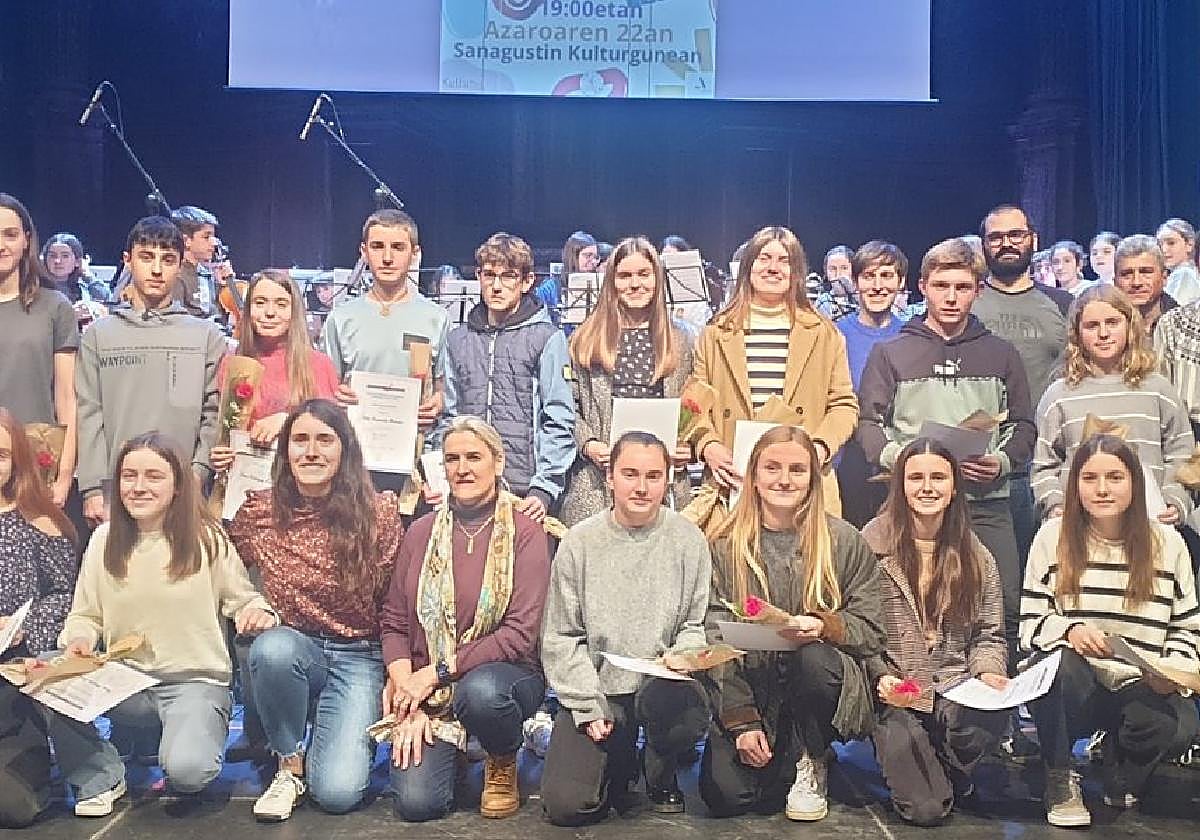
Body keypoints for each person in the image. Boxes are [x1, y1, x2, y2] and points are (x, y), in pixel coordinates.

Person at [58, 432, 275, 807]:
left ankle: (188, 733)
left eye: (153, 476)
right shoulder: (104, 540)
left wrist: (256, 612)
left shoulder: (207, 538)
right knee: (46, 676)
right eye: (129, 476)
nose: (138, 487)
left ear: (177, 485)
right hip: (124, 684)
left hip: (192, 682)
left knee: (188, 773)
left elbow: (244, 600)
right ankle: (103, 776)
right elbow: (85, 616)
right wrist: (78, 640)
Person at [858, 236, 1034, 676]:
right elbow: (867, 424)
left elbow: (1024, 425)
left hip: (984, 500)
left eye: (962, 287)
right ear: (922, 287)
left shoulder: (1001, 353)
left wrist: (1001, 463)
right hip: (912, 505)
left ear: (978, 290)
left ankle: (995, 699)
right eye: (941, 286)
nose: (951, 297)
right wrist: (903, 461)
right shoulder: (891, 352)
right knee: (907, 610)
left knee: (1003, 607)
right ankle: (908, 697)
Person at [227, 400, 403, 820]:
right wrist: (253, 604)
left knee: (338, 793)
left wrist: (399, 674)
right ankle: (289, 765)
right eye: (300, 440)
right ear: (285, 450)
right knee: (271, 649)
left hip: (359, 654)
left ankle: (331, 730)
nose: (311, 451)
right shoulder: (259, 512)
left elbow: (396, 604)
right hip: (295, 648)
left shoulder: (378, 514)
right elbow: (220, 571)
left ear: (345, 450)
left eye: (325, 440)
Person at [700, 426, 885, 822]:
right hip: (752, 684)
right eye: (772, 468)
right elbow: (713, 635)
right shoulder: (724, 545)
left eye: (797, 470)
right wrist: (741, 720)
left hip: (818, 679)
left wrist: (824, 627)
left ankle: (812, 754)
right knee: (727, 797)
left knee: (813, 659)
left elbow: (872, 629)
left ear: (813, 478)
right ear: (753, 474)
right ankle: (776, 751)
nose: (784, 480)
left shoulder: (844, 540)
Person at [1021, 435, 1200, 827]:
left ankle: (1118, 762)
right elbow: (1030, 623)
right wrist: (1069, 629)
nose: (1102, 489)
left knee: (1179, 725)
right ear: (1075, 484)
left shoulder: (1169, 544)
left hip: (1140, 680)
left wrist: (1171, 673)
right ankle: (1059, 776)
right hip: (1078, 679)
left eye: (1115, 477)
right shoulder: (1052, 537)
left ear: (1135, 482)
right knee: (1059, 670)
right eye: (1090, 478)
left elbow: (1187, 628)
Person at [381, 416, 551, 821]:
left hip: (504, 678)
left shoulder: (527, 534)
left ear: (498, 462)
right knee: (417, 804)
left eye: (474, 457)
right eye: (452, 459)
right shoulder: (420, 532)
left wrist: (435, 674)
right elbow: (394, 621)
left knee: (480, 693)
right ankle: (454, 749)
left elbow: (518, 635)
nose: (462, 468)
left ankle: (501, 756)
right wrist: (406, 691)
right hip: (430, 687)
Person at [540, 432, 711, 824]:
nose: (641, 487)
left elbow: (695, 623)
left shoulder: (689, 541)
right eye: (630, 474)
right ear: (610, 478)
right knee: (567, 805)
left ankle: (660, 767)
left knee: (683, 711)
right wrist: (587, 705)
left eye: (653, 476)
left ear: (668, 480)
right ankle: (618, 765)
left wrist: (683, 656)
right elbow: (562, 637)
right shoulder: (579, 543)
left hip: (661, 688)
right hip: (600, 689)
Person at [862, 438, 1007, 826]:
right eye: (916, 478)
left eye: (938, 477)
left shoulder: (977, 556)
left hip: (951, 684)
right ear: (901, 485)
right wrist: (880, 675)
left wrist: (988, 672)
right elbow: (857, 629)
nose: (927, 487)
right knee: (926, 810)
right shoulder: (870, 545)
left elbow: (989, 634)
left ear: (954, 486)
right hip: (896, 689)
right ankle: (928, 764)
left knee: (990, 715)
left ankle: (947, 763)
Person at [692, 226, 858, 515]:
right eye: (764, 258)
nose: (773, 267)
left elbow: (844, 405)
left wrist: (819, 449)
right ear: (748, 267)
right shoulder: (715, 334)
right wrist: (708, 446)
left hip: (803, 480)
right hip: (734, 478)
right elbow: (692, 405)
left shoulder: (824, 334)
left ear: (797, 272)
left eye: (784, 260)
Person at [75, 216, 227, 526]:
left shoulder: (205, 336)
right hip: (117, 494)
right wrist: (92, 488)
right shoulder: (99, 335)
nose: (157, 270)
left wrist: (198, 473)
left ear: (180, 265)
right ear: (127, 261)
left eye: (167, 260)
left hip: (183, 491)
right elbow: (89, 413)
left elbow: (214, 413)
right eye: (146, 257)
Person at [560, 237, 695, 525]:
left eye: (644, 274)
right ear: (611, 282)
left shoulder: (681, 341)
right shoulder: (585, 339)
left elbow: (695, 406)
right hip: (599, 481)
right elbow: (567, 405)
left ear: (657, 279)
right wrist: (589, 444)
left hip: (662, 482)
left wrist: (689, 446)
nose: (635, 284)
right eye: (624, 276)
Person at [440, 233, 574, 522]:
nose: (497, 286)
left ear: (526, 282)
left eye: (508, 276)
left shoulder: (546, 338)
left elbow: (559, 418)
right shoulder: (457, 340)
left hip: (524, 491)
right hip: (466, 487)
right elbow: (448, 418)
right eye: (489, 275)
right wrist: (439, 476)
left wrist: (544, 488)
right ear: (478, 277)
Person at [1032, 285, 1194, 524]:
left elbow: (1181, 452)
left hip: (1148, 521)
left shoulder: (1157, 389)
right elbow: (1044, 465)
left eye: (1112, 322)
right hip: (1080, 525)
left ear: (1130, 326)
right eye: (1092, 326)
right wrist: (1054, 504)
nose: (1103, 333)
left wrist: (1175, 498)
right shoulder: (1059, 395)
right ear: (1077, 333)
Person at [320, 209, 448, 491]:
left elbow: (445, 389)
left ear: (415, 254)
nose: (387, 257)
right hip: (353, 460)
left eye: (398, 247)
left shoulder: (436, 318)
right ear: (364, 252)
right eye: (377, 246)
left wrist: (437, 402)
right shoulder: (341, 319)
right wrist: (336, 396)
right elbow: (324, 389)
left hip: (414, 461)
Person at [0, 408, 84, 826]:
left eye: (0, 455)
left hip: (13, 675)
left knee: (12, 808)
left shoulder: (39, 520)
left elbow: (64, 596)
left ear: (16, 459)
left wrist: (22, 628)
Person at [208, 270, 340, 471]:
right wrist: (221, 454)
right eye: (260, 303)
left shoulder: (318, 364)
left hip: (300, 478)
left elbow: (332, 432)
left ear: (294, 311)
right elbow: (224, 430)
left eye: (281, 304)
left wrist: (287, 420)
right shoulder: (232, 364)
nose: (270, 312)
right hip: (246, 478)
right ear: (248, 309)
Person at [0, 195, 80, 510]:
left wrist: (64, 475)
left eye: (10, 235)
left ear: (26, 241)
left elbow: (67, 399)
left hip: (35, 466)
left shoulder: (53, 307)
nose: (1, 245)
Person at [834, 241, 909, 528]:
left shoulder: (912, 335)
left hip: (899, 459)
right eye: (868, 276)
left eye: (886, 276)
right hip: (849, 462)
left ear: (900, 282)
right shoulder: (836, 335)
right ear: (855, 283)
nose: (877, 286)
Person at [1115, 234, 1177, 335]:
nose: (1136, 282)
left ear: (1164, 277)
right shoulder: (1104, 324)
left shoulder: (1186, 323)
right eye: (1127, 274)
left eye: (1146, 272)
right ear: (1114, 281)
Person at [534, 230, 599, 322]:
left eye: (595, 257)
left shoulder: (601, 286)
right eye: (588, 256)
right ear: (573, 256)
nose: (593, 262)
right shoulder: (549, 288)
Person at [41, 232, 112, 306]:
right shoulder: (37, 287)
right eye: (52, 256)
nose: (57, 261)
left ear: (77, 261)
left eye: (65, 256)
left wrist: (87, 275)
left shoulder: (82, 287)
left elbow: (108, 299)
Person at [1157, 218, 1200, 306]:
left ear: (1189, 245)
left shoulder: (1184, 274)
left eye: (1171, 243)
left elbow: (1173, 309)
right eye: (1160, 245)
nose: (1164, 249)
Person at [816, 245, 856, 320]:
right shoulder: (823, 302)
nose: (838, 275)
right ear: (826, 273)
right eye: (833, 269)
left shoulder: (863, 298)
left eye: (844, 268)